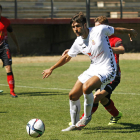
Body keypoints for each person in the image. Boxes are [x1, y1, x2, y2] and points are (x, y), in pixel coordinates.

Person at [42, 12, 137, 131]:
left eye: (77, 26)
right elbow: (67, 57)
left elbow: (117, 30)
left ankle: (86, 117)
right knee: (72, 95)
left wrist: (130, 31)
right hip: (94, 68)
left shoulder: (99, 30)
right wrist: (51, 68)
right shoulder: (78, 42)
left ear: (84, 25)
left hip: (108, 69)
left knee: (87, 87)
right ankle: (74, 125)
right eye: (73, 27)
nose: (75, 29)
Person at [78, 16, 126, 125]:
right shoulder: (94, 39)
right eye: (95, 28)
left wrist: (107, 48)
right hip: (99, 74)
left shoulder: (115, 39)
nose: (96, 30)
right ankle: (117, 115)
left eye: (99, 27)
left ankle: (81, 120)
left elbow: (122, 50)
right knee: (102, 99)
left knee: (96, 97)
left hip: (113, 75)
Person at [0, 5, 20, 98]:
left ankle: (12, 91)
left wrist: (17, 45)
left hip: (4, 47)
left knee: (8, 68)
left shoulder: (6, 21)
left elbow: (12, 33)